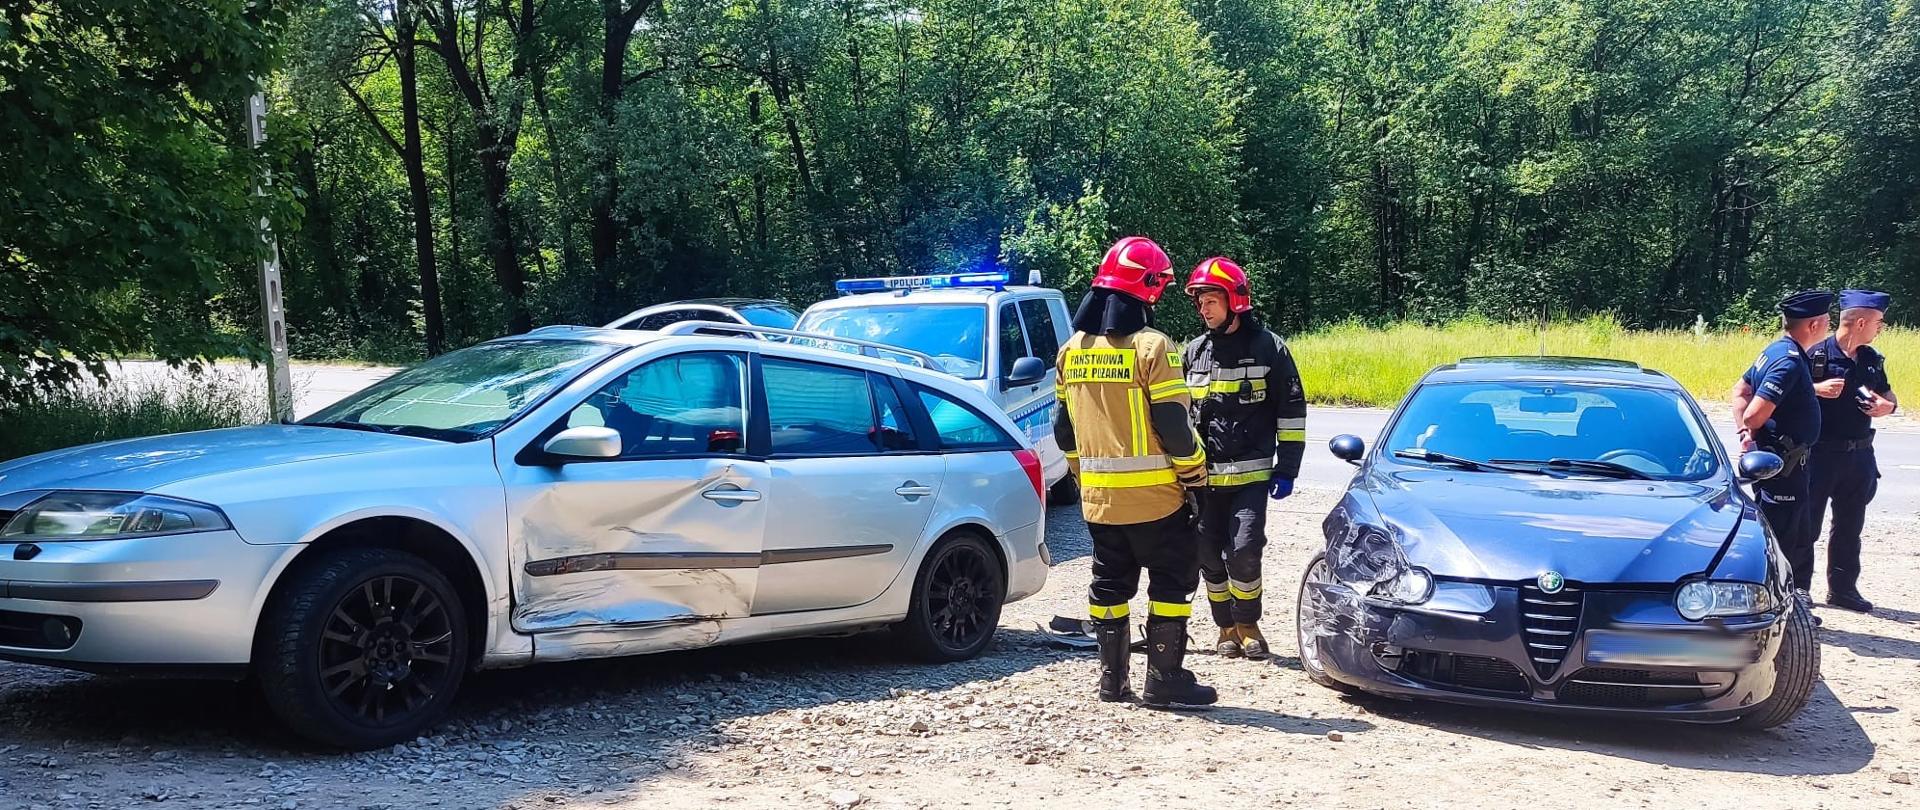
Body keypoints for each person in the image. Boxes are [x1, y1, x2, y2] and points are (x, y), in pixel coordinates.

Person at [1050, 235, 1217, 709]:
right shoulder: (1153, 347)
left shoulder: (1071, 351)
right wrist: (1194, 476)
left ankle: (1112, 683)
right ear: (1147, 288)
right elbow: (1175, 427)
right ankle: (1164, 681)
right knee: (1170, 583)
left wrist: (1086, 478)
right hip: (1158, 499)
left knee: (1108, 584)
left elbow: (1064, 432)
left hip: (1100, 502)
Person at [1179, 257, 1307, 660]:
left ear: (1235, 300)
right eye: (1199, 302)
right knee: (1206, 554)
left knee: (1245, 550)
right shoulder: (1194, 353)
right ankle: (1225, 628)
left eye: (1211, 300)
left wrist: (1287, 469)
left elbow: (1292, 412)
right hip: (1203, 480)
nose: (1204, 309)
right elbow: (1179, 416)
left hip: (1250, 480)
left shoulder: (1269, 348)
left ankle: (1249, 623)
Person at [1730, 290, 1832, 601]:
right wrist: (1749, 427)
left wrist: (1744, 434)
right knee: (1783, 539)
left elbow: (1740, 389)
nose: (1829, 324)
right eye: (1827, 320)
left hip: (1778, 463)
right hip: (1783, 467)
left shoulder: (1775, 351)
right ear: (1813, 325)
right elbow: (1753, 410)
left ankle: (1780, 600)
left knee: (1788, 533)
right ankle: (1777, 605)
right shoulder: (1787, 361)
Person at [1807, 290, 1899, 613]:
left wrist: (1887, 407)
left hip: (1859, 455)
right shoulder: (1815, 355)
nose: (1881, 328)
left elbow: (1888, 395)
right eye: (1878, 322)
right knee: (1807, 527)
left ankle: (1843, 589)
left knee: (1850, 525)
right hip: (1819, 455)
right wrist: (1815, 389)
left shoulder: (1871, 359)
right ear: (1860, 321)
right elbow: (1788, 394)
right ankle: (1799, 593)